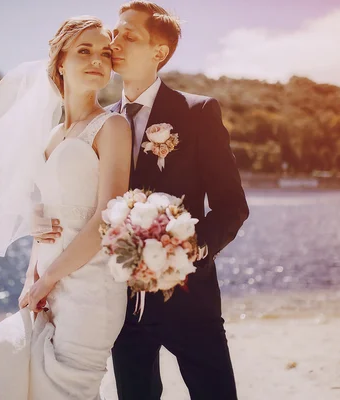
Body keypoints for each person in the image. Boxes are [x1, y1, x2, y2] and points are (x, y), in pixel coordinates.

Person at [0, 16, 132, 400]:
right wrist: (32, 276)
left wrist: (48, 277)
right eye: (84, 51)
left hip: (92, 287)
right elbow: (48, 209)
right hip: (46, 280)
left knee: (68, 390)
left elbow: (108, 218)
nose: (97, 60)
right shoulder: (51, 134)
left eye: (105, 52)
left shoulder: (112, 126)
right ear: (60, 62)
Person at [105, 2, 250, 399]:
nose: (114, 42)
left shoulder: (197, 111)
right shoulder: (100, 123)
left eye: (128, 35)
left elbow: (232, 206)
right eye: (114, 33)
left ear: (158, 52)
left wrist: (188, 251)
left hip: (191, 297)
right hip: (122, 304)